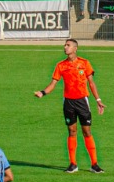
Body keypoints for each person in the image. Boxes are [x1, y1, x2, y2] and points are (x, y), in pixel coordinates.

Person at [34, 39, 105, 173]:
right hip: (68, 103)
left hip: (82, 101)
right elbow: (53, 83)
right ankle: (73, 164)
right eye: (65, 45)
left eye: (68, 45)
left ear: (75, 48)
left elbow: (91, 83)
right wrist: (43, 93)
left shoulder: (84, 63)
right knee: (72, 131)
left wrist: (98, 100)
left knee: (86, 131)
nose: (65, 47)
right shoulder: (61, 65)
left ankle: (94, 164)